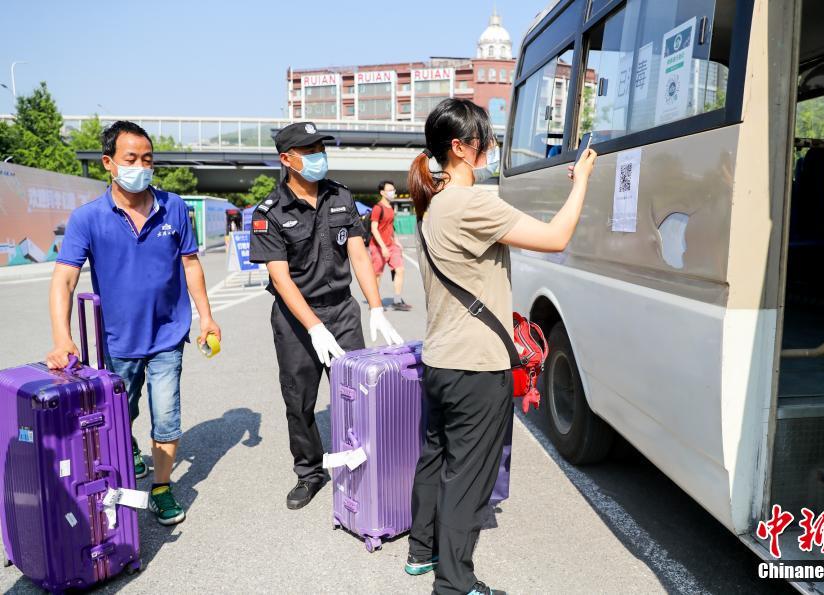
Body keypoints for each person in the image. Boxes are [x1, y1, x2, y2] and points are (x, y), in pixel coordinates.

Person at [405, 98, 597, 595]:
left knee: (437, 457)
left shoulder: (433, 207)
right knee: (468, 478)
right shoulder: (473, 202)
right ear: (461, 148)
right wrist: (582, 184)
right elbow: (555, 237)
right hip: (476, 368)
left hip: (441, 362)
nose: (490, 146)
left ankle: (421, 553)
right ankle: (455, 584)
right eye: (484, 139)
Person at [46, 120, 220, 526]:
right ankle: (129, 454)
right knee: (122, 413)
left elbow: (190, 264)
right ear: (109, 163)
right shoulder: (87, 218)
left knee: (168, 412)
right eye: (131, 159)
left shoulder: (173, 206)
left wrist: (206, 316)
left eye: (147, 159)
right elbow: (65, 278)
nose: (141, 166)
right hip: (118, 340)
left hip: (168, 334)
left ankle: (161, 487)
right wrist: (61, 337)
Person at [248, 121, 404, 510]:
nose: (319, 156)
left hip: (342, 310)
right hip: (296, 320)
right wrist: (314, 327)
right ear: (287, 159)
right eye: (309, 150)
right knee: (300, 401)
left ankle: (363, 466)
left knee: (358, 395)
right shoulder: (269, 212)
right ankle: (309, 471)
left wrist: (377, 307)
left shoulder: (341, 196)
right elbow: (280, 279)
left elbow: (358, 253)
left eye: (321, 148)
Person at [368, 180, 412, 311]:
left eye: (393, 190)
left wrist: (396, 241)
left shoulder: (391, 208)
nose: (393, 192)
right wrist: (383, 247)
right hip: (377, 247)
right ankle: (374, 302)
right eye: (389, 190)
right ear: (382, 192)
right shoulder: (378, 208)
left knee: (400, 270)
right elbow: (374, 228)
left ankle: (397, 301)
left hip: (391, 246)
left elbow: (390, 227)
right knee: (377, 275)